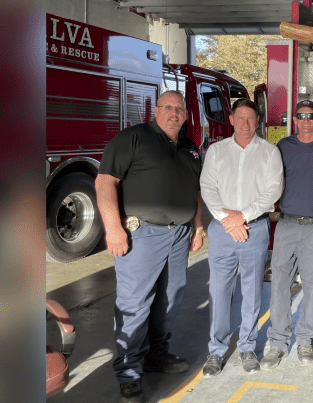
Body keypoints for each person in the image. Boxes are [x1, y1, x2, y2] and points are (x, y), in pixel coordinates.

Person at [96, 90, 205, 403]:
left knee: (170, 299)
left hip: (179, 236)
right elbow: (105, 182)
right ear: (155, 110)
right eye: (167, 108)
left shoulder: (189, 148)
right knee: (135, 303)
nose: (174, 114)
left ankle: (157, 355)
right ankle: (129, 373)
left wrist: (198, 227)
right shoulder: (133, 138)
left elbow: (194, 191)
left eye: (179, 109)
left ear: (185, 114)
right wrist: (113, 228)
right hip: (141, 235)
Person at [199, 98, 283, 377]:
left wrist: (241, 216)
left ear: (258, 121)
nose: (246, 123)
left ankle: (247, 347)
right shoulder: (216, 151)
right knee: (220, 292)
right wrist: (228, 219)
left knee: (252, 291)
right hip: (223, 230)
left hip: (255, 229)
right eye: (241, 118)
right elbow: (207, 187)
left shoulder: (270, 152)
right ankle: (216, 351)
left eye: (251, 118)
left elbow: (273, 191)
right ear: (232, 119)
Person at [262, 100, 313, 369]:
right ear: (294, 120)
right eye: (300, 116)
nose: (305, 119)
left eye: (310, 116)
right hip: (286, 225)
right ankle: (278, 343)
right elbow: (272, 181)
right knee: (280, 285)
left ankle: (306, 339)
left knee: (312, 285)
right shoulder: (283, 147)